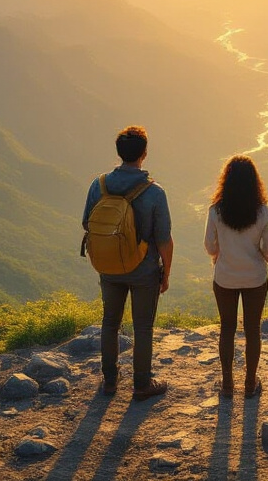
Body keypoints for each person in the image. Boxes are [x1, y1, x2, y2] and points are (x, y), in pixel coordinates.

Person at [82, 125, 173, 401]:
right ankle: (142, 384)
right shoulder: (154, 192)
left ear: (119, 152)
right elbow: (164, 240)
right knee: (142, 327)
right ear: (144, 154)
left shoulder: (99, 186)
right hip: (143, 270)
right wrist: (165, 273)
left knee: (110, 322)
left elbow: (87, 223)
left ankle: (110, 381)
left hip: (108, 268)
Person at [204, 155, 268, 398]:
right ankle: (249, 383)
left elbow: (210, 246)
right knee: (252, 329)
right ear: (254, 182)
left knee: (227, 328)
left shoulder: (216, 211)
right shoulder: (263, 211)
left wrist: (220, 254)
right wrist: (260, 255)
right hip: (255, 278)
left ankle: (226, 385)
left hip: (225, 277)